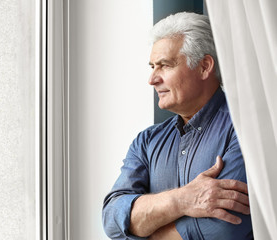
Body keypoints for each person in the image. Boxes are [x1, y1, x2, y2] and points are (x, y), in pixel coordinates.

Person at [102, 12, 253, 240]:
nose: (152, 79)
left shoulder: (244, 128)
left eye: (164, 65)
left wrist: (144, 229)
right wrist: (183, 200)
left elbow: (225, 228)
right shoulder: (146, 142)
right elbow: (113, 219)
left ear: (204, 66)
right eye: (152, 66)